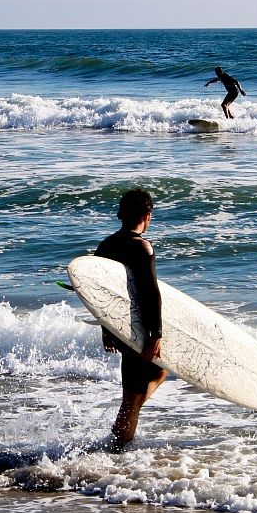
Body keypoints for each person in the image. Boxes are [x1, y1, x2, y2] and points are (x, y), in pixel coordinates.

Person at [95, 188, 168, 450]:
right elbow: (151, 293)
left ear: (120, 214)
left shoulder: (106, 245)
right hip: (139, 328)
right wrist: (155, 334)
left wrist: (107, 329)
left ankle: (121, 432)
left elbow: (98, 293)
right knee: (135, 393)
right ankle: (118, 445)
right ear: (148, 215)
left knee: (150, 378)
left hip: (120, 325)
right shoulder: (142, 247)